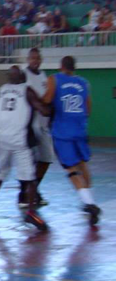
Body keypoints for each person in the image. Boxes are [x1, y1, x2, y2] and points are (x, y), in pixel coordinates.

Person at [0, 66, 50, 231]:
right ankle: (31, 212)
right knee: (30, 177)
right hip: (20, 139)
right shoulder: (27, 90)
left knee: (1, 172)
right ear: (21, 76)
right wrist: (53, 106)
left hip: (2, 138)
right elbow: (44, 111)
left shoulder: (2, 90)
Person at [42, 56, 101, 225]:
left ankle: (90, 205)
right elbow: (88, 109)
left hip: (63, 131)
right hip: (80, 129)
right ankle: (89, 201)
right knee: (83, 165)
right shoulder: (83, 83)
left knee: (71, 170)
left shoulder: (55, 79)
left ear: (61, 66)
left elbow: (46, 100)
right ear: (74, 67)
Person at [20, 48, 54, 207]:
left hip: (43, 123)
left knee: (46, 159)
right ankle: (24, 194)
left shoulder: (43, 75)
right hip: (29, 125)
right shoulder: (23, 74)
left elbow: (46, 96)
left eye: (37, 58)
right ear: (28, 59)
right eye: (32, 58)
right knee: (29, 161)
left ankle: (34, 190)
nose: (35, 60)